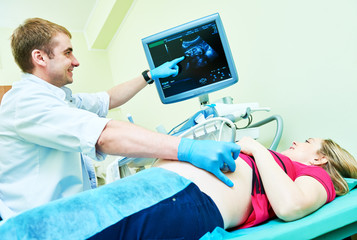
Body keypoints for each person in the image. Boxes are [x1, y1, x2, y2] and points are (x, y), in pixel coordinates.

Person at [0, 18, 241, 220]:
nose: (76, 61)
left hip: (66, 218)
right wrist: (187, 147)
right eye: (68, 52)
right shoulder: (24, 102)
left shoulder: (62, 100)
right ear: (40, 58)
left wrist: (149, 75)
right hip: (35, 226)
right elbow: (104, 135)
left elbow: (108, 99)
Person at [0, 137, 355, 240]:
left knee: (29, 232)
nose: (296, 141)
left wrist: (257, 148)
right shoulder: (285, 165)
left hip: (182, 197)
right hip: (165, 190)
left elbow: (291, 206)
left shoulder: (317, 178)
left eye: (307, 141)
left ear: (321, 159)